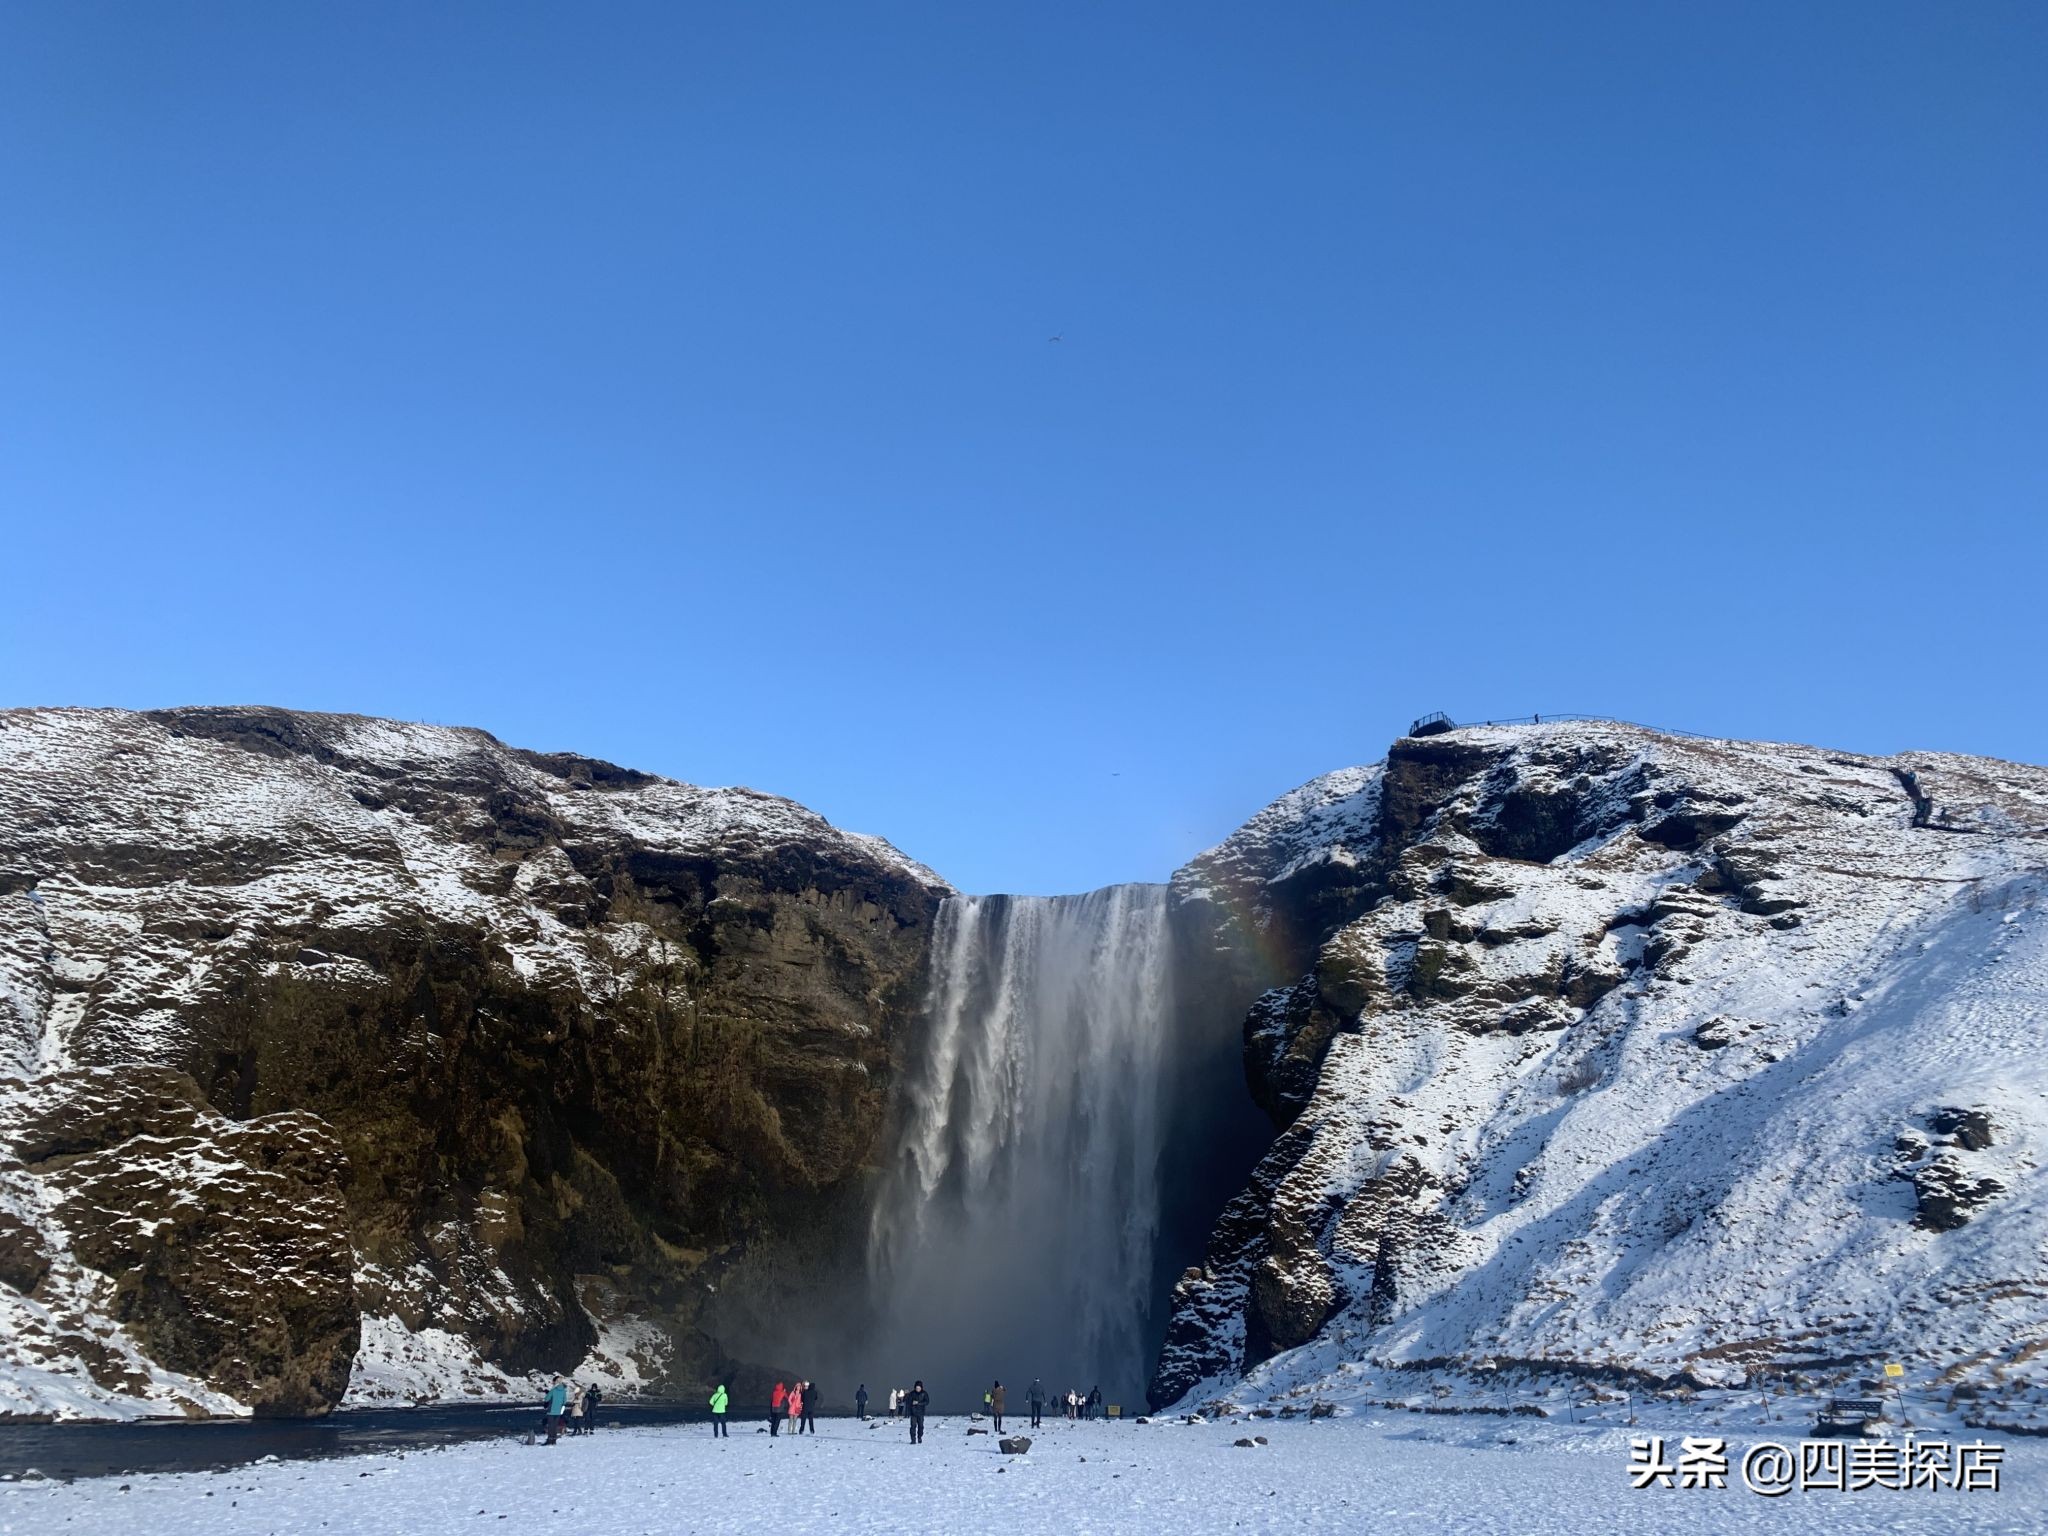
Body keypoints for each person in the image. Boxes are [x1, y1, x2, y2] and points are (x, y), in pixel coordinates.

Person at [543, 1377, 569, 1445]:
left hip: (551, 1410)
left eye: (553, 1382)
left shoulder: (553, 1390)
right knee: (555, 1426)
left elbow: (546, 1399)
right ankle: (554, 1440)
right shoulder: (563, 1391)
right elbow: (565, 1401)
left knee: (550, 1426)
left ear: (555, 1382)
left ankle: (550, 1440)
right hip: (559, 1411)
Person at [906, 1379, 929, 1444]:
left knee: (921, 1426)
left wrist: (918, 1403)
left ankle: (919, 1437)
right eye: (916, 1388)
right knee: (913, 1426)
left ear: (921, 1388)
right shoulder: (912, 1393)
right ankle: (913, 1440)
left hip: (921, 1413)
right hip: (913, 1413)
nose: (918, 1389)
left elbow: (927, 1402)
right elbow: (908, 1402)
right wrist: (911, 1404)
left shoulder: (924, 1393)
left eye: (919, 1388)